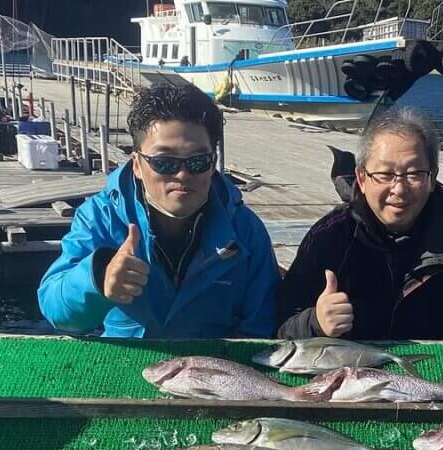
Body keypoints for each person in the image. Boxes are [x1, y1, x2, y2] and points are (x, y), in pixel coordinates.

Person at [38, 83, 280, 338]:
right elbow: (56, 312)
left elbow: (261, 329)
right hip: (126, 359)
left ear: (213, 163)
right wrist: (97, 279)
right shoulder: (100, 217)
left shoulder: (246, 231)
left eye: (198, 161)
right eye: (164, 162)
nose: (182, 175)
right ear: (137, 165)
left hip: (217, 362)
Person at [277, 107, 443, 341]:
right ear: (361, 178)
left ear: (432, 178)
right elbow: (280, 327)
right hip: (352, 363)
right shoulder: (329, 237)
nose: (399, 189)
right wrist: (316, 322)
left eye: (414, 174)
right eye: (385, 174)